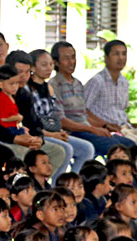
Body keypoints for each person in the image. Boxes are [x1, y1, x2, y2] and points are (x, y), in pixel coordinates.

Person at [47, 41, 135, 157]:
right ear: (56, 62)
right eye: (66, 58)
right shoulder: (54, 85)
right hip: (73, 132)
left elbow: (85, 114)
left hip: (87, 129)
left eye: (73, 57)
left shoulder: (77, 84)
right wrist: (92, 129)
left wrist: (104, 126)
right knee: (116, 148)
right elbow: (62, 121)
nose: (71, 62)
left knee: (131, 145)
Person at [26, 49, 94, 179]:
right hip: (37, 133)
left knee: (87, 148)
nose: (49, 68)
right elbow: (31, 124)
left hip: (52, 131)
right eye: (44, 64)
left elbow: (52, 116)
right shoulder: (27, 90)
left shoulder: (49, 88)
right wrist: (51, 134)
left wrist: (59, 131)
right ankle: (56, 185)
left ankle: (71, 184)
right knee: (66, 149)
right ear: (33, 67)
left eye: (51, 64)